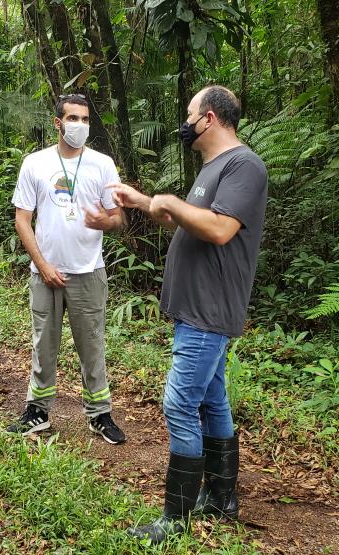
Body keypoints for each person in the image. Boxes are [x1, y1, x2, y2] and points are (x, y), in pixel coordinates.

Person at [112, 86, 268, 543]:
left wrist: (169, 201)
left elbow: (220, 230)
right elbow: (192, 219)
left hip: (208, 308)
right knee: (212, 401)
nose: (186, 121)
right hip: (198, 307)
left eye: (189, 114)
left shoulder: (244, 165)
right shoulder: (213, 169)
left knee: (179, 404)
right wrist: (144, 201)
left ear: (212, 118)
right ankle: (221, 498)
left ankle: (174, 518)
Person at [7, 93, 127, 445]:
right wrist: (42, 266)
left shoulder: (103, 164)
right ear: (57, 123)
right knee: (43, 343)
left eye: (85, 120)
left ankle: (99, 414)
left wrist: (104, 220)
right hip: (45, 272)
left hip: (88, 270)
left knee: (92, 344)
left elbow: (118, 217)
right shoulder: (35, 163)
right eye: (73, 119)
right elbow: (22, 220)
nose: (80, 126)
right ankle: (37, 410)